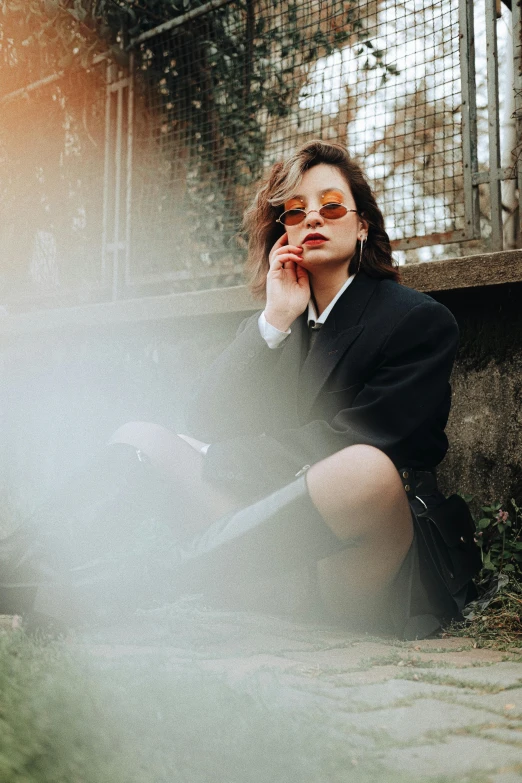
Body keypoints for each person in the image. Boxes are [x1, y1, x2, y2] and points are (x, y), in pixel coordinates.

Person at [0, 140, 480, 638]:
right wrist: (272, 321)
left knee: (365, 469)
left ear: (362, 225)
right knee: (140, 435)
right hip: (267, 558)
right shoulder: (279, 322)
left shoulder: (418, 320)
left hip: (356, 562)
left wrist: (221, 459)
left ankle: (122, 590)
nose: (313, 217)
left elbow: (370, 437)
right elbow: (201, 418)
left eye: (331, 205)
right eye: (296, 211)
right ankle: (19, 567)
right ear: (283, 234)